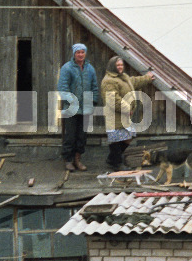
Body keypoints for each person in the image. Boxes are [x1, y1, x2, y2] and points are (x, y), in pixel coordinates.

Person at [101, 56, 154, 170]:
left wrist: (147, 78)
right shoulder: (109, 81)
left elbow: (134, 81)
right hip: (115, 115)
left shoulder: (123, 77)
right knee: (116, 139)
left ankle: (112, 159)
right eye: (117, 65)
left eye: (121, 65)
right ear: (112, 66)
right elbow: (113, 100)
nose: (120, 67)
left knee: (129, 136)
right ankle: (116, 164)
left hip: (124, 116)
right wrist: (127, 108)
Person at [57, 43, 99, 171]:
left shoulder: (90, 69)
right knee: (70, 135)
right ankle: (68, 160)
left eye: (82, 52)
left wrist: (94, 100)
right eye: (78, 52)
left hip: (86, 107)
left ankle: (77, 159)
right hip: (71, 108)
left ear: (85, 53)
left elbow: (94, 87)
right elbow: (62, 88)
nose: (80, 54)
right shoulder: (67, 68)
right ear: (74, 54)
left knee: (82, 135)